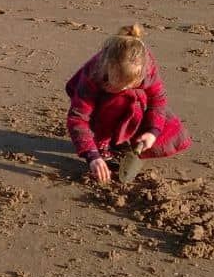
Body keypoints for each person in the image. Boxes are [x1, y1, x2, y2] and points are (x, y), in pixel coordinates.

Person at [65, 23, 191, 184]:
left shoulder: (146, 67)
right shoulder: (93, 73)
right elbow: (78, 118)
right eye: (117, 83)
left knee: (170, 133)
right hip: (101, 105)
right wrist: (91, 155)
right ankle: (103, 141)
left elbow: (158, 101)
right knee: (119, 99)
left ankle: (124, 139)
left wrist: (152, 131)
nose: (123, 88)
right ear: (107, 68)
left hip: (132, 104)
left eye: (129, 84)